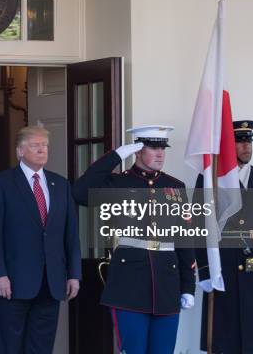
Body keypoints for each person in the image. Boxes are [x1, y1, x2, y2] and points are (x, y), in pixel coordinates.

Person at [72, 125, 196, 354]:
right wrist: (117, 155)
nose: (160, 154)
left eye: (162, 148)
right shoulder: (118, 184)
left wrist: (188, 286)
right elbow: (79, 192)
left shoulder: (175, 187)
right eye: (153, 148)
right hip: (128, 286)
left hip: (166, 286)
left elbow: (184, 238)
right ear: (137, 151)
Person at [0, 126, 81, 354]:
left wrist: (74, 274)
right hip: (11, 283)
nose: (41, 149)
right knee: (8, 347)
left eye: (44, 145)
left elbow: (71, 233)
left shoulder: (60, 184)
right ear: (20, 151)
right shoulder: (2, 183)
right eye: (35, 145)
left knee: (41, 347)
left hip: (51, 282)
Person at [196, 120, 253, 354]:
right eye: (240, 142)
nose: (246, 147)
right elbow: (197, 228)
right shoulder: (209, 179)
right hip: (223, 269)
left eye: (248, 141)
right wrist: (204, 270)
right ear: (226, 145)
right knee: (225, 340)